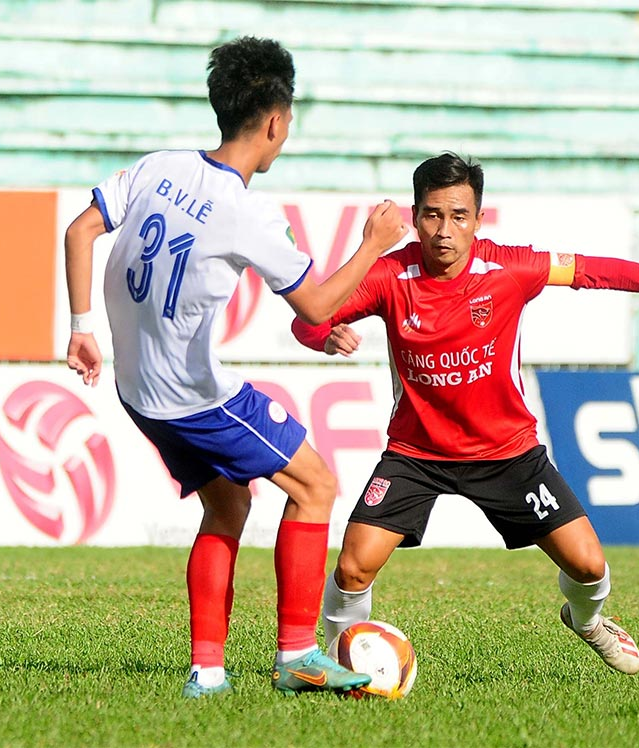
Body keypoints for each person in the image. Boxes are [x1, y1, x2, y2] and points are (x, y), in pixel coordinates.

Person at [292, 152, 639, 675]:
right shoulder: (389, 274)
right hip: (415, 453)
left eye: (459, 216)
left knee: (589, 566)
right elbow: (306, 320)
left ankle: (587, 622)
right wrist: (325, 334)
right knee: (354, 566)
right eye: (432, 215)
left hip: (507, 453)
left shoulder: (508, 268)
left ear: (479, 218)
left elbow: (593, 271)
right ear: (415, 215)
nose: (445, 230)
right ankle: (339, 662)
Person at [63, 36, 407, 699]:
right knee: (315, 487)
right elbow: (315, 302)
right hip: (195, 396)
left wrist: (82, 331)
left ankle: (208, 673)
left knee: (229, 504)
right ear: (276, 121)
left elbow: (80, 231)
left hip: (138, 392)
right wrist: (373, 244)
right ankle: (298, 657)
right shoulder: (248, 213)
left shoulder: (159, 166)